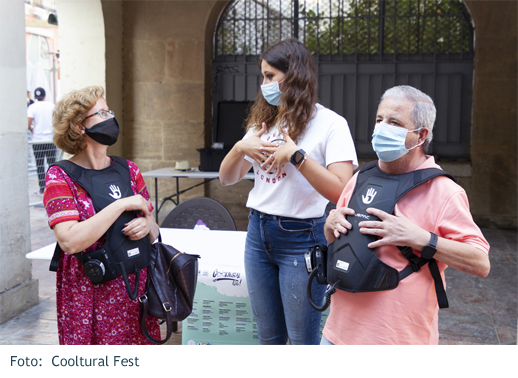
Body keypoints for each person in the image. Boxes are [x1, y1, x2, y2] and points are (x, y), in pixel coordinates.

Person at [322, 85, 490, 345]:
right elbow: (335, 240)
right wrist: (330, 224)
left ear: (421, 135)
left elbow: (480, 262)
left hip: (399, 341)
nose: (381, 128)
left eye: (394, 122)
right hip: (336, 336)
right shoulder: (361, 178)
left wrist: (421, 238)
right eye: (379, 120)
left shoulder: (444, 191)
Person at [219, 39, 358, 345]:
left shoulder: (331, 124)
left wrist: (297, 157)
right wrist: (240, 146)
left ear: (293, 76)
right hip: (258, 234)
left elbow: (341, 191)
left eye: (270, 76)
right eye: (263, 76)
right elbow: (227, 178)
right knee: (268, 338)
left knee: (300, 342)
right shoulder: (262, 122)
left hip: (302, 239)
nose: (264, 84)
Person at [43, 86, 161, 345]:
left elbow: (154, 226)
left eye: (110, 111)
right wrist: (120, 205)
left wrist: (145, 224)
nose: (110, 118)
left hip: (134, 287)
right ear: (78, 127)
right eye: (102, 113)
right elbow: (70, 241)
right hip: (89, 293)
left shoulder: (128, 169)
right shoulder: (60, 176)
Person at [28, 87, 57, 194]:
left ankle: (42, 188)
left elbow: (28, 123)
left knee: (39, 165)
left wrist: (32, 129)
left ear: (35, 96)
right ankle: (53, 186)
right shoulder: (51, 106)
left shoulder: (32, 107)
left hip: (37, 141)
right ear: (45, 95)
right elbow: (57, 121)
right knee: (52, 164)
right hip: (50, 140)